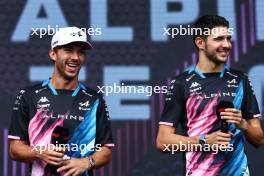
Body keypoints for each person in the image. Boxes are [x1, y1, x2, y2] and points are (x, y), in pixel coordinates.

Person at [156, 15, 264, 176]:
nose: (227, 45)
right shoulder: (181, 83)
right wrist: (204, 141)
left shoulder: (241, 80)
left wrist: (243, 124)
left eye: (228, 38)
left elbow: (259, 140)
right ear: (200, 42)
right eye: (219, 39)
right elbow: (162, 142)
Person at [8, 26, 114, 176]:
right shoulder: (29, 95)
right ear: (53, 54)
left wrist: (86, 162)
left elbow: (106, 150)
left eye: (81, 52)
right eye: (69, 50)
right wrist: (40, 152)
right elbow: (15, 149)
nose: (76, 57)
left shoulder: (95, 99)